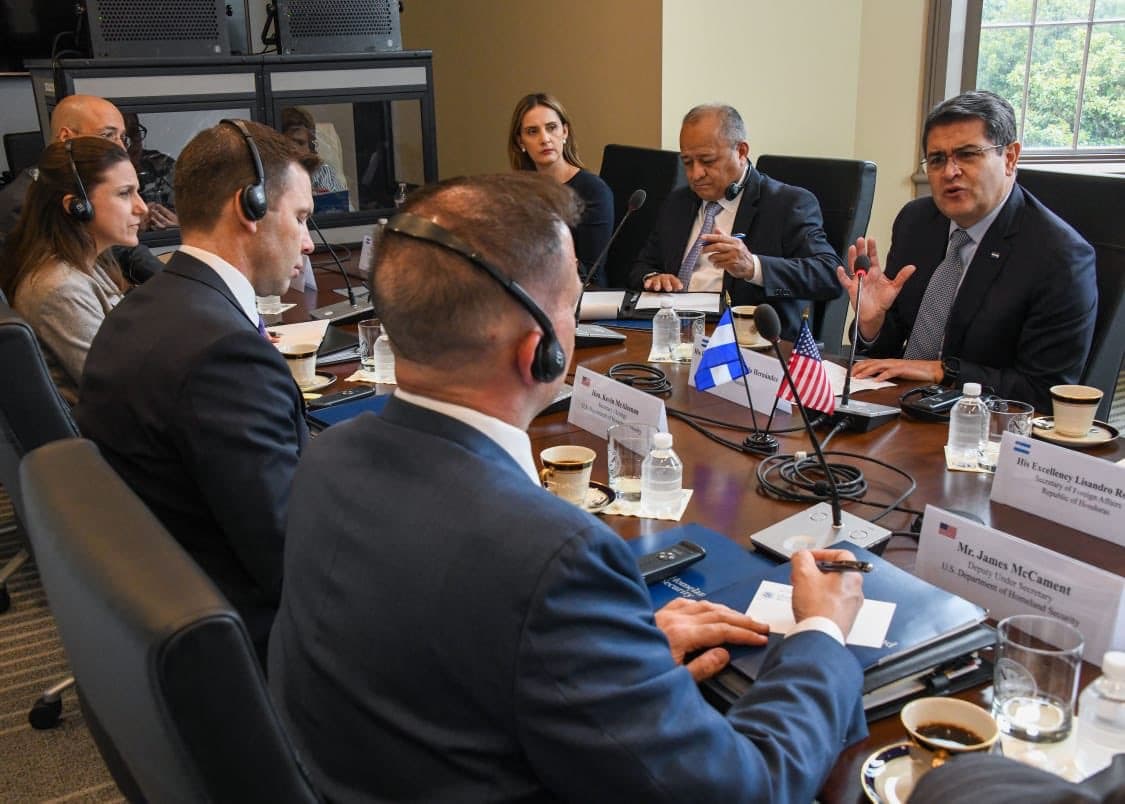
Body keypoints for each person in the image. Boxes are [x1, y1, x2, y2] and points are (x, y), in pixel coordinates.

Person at [268, 172, 868, 801]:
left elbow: (451, 648)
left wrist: (614, 660)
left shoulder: (326, 458)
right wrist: (820, 635)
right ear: (542, 351)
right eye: (573, 303)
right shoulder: (554, 559)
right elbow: (747, 791)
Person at [76, 119, 318, 665]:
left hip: (160, 611)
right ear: (249, 207)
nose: (306, 241)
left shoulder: (145, 306)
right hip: (250, 644)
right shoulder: (224, 355)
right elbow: (290, 561)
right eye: (301, 217)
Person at [838, 90, 1097, 412]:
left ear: (1011, 158)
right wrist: (873, 323)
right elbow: (888, 351)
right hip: (898, 405)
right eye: (937, 159)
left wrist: (944, 371)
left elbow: (1043, 391)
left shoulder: (1060, 257)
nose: (950, 172)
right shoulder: (917, 221)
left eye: (968, 154)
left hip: (980, 425)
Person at [628, 104, 841, 340]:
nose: (695, 174)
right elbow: (642, 266)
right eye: (687, 162)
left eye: (707, 161)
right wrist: (654, 277)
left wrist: (754, 267)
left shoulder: (787, 204)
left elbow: (829, 275)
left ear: (741, 152)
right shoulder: (678, 202)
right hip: (674, 334)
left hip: (744, 342)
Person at [0, 137, 146, 404]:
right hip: (115, 435)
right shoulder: (61, 289)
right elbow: (123, 389)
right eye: (125, 193)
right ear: (77, 206)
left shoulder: (88, 263)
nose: (142, 207)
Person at [0, 94, 165, 284]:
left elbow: (125, 251)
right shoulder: (23, 204)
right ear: (66, 138)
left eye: (122, 137)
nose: (121, 148)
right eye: (107, 135)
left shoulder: (84, 186)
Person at [509, 92, 614, 285]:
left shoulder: (593, 191)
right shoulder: (516, 193)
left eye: (552, 128)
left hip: (582, 298)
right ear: (520, 142)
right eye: (533, 132)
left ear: (564, 132)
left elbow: (591, 273)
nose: (545, 139)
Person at [123, 112, 178, 230]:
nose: (133, 142)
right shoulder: (103, 174)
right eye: (125, 137)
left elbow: (194, 219)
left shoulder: (161, 165)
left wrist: (177, 227)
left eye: (136, 132)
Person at [280, 106, 347, 195]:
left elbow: (343, 206)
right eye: (288, 143)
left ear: (310, 148)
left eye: (300, 143)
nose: (294, 149)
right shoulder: (269, 173)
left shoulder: (322, 172)